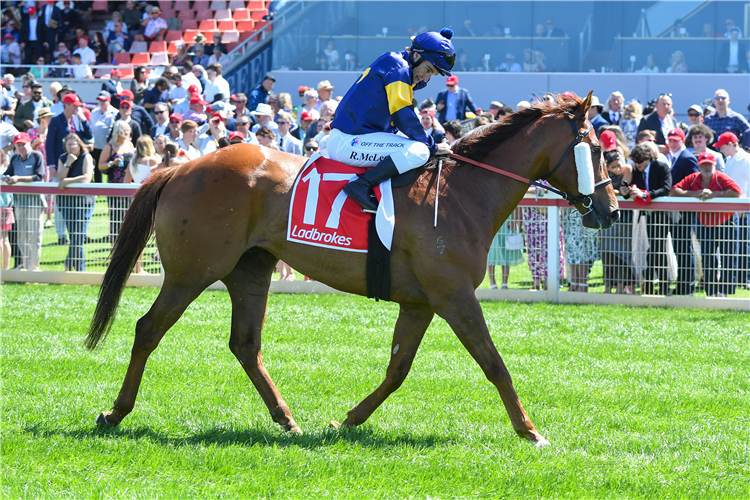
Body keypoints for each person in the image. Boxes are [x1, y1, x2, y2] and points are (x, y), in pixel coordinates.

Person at [671, 152, 741, 297]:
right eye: (704, 165)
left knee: (728, 256)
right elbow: (674, 191)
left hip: (726, 221)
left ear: (715, 165)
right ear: (699, 166)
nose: (707, 167)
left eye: (709, 164)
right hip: (705, 223)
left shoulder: (721, 177)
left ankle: (724, 292)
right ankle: (711, 292)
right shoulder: (693, 178)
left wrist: (713, 194)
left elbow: (737, 192)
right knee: (708, 258)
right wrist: (694, 193)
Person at [621, 142, 672, 295]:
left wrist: (646, 194)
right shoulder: (636, 169)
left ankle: (657, 286)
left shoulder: (661, 166)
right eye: (635, 161)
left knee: (657, 250)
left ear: (649, 158)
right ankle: (657, 287)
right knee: (656, 250)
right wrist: (625, 191)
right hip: (648, 215)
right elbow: (630, 189)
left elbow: (666, 189)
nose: (637, 164)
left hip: (663, 214)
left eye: (640, 161)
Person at [3, 132, 45, 270]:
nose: (22, 147)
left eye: (24, 144)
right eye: (19, 145)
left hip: (35, 202)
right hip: (20, 202)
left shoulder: (37, 156)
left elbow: (39, 176)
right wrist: (6, 178)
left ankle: (34, 269)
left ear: (29, 143)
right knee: (21, 237)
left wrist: (18, 179)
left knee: (35, 237)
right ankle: (26, 267)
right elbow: (9, 174)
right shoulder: (14, 158)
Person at [716, 131, 750, 289]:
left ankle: (746, 279)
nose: (720, 150)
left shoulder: (745, 159)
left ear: (730, 144)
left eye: (722, 147)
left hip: (743, 209)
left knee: (744, 244)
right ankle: (738, 279)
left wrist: (745, 203)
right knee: (736, 244)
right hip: (732, 209)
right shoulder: (729, 159)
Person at [55, 132, 94, 271]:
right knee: (74, 236)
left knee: (79, 236)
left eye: (74, 144)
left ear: (79, 144)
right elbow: (59, 177)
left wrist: (68, 181)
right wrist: (68, 164)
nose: (71, 147)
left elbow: (86, 178)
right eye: (68, 144)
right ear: (65, 146)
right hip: (66, 201)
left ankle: (74, 265)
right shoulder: (63, 158)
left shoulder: (86, 156)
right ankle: (78, 269)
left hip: (84, 202)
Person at [599, 145, 635, 294]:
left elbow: (622, 188)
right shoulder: (602, 174)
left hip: (624, 217)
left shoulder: (627, 169)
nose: (617, 170)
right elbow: (603, 190)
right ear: (607, 166)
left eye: (618, 165)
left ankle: (620, 287)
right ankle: (608, 287)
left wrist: (616, 191)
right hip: (608, 216)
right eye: (613, 167)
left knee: (623, 255)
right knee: (607, 254)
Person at [98, 120, 134, 240]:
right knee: (116, 216)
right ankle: (115, 243)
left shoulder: (130, 145)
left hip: (129, 185)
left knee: (129, 215)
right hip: (115, 186)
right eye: (123, 130)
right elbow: (100, 165)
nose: (126, 132)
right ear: (117, 131)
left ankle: (128, 241)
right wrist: (112, 163)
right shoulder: (110, 146)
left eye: (128, 130)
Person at [45, 92, 92, 170]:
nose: (77, 108)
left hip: (78, 162)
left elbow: (89, 136)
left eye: (78, 106)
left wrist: (84, 120)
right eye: (75, 106)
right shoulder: (55, 120)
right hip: (61, 162)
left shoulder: (79, 119)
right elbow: (50, 143)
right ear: (67, 105)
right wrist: (51, 165)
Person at [487, 209, 523, 289]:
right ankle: (492, 283)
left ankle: (504, 283)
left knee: (506, 253)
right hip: (493, 222)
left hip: (506, 224)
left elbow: (515, 205)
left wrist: (514, 219)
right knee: (491, 254)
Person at [89, 91, 117, 182]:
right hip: (96, 145)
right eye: (99, 100)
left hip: (108, 146)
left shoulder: (115, 113)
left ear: (109, 101)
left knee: (109, 167)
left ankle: (110, 187)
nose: (101, 102)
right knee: (96, 167)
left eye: (103, 100)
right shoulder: (94, 112)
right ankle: (98, 187)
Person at [0, 148, 12, 269]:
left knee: (1, 240)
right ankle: (6, 269)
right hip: (7, 208)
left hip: (2, 207)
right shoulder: (6, 170)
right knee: (5, 239)